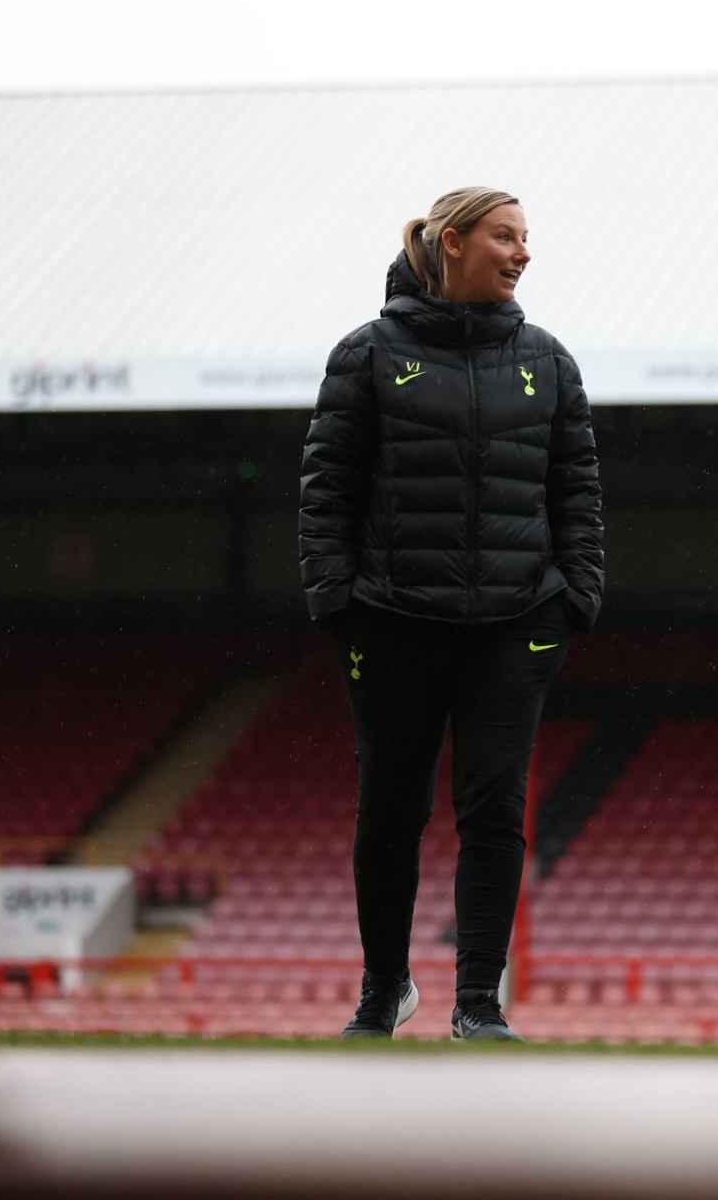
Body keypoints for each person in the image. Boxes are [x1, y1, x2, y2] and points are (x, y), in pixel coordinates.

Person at [299, 186, 604, 1042]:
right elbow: (327, 490)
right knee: (390, 810)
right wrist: (338, 603)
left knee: (494, 812)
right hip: (391, 620)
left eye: (526, 238)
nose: (523, 253)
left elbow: (577, 490)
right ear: (455, 243)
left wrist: (575, 596)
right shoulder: (366, 355)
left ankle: (478, 1004)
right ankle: (383, 990)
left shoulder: (547, 360)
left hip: (515, 624)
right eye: (506, 237)